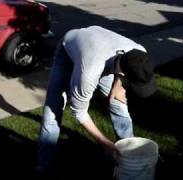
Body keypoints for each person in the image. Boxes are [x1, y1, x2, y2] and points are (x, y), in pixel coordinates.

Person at [36, 25, 156, 173]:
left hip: (101, 49)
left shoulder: (139, 53)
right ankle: (44, 167)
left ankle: (130, 151)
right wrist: (103, 142)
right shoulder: (89, 73)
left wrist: (117, 86)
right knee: (52, 113)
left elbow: (122, 64)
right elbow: (79, 112)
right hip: (69, 50)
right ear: (124, 73)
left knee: (118, 103)